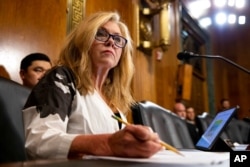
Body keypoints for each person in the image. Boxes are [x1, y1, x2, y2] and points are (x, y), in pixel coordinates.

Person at [22, 12, 162, 160]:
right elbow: (38, 141)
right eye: (101, 34)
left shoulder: (114, 101)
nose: (111, 42)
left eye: (118, 39)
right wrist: (108, 144)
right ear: (83, 40)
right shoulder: (62, 78)